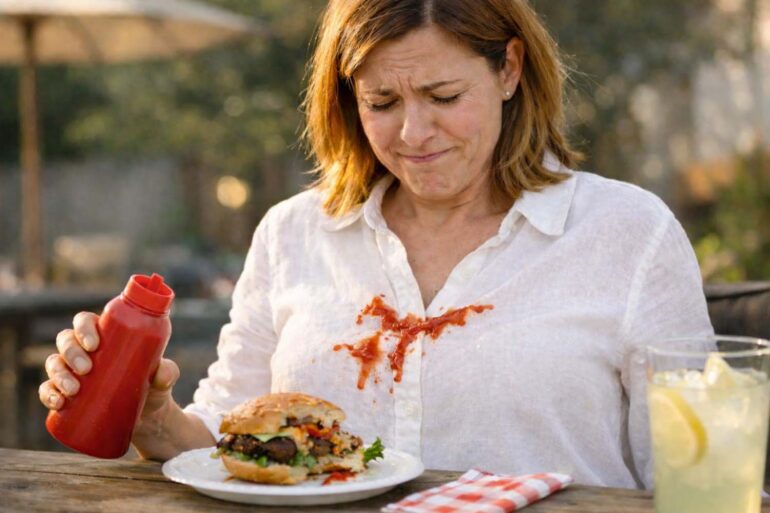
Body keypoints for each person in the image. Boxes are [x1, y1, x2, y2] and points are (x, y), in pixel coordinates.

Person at [38, 0, 712, 489]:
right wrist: (154, 419)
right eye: (381, 102)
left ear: (509, 70)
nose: (414, 132)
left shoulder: (628, 233)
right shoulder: (293, 233)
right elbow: (227, 436)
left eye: (444, 94)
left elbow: (701, 473)